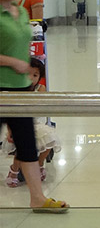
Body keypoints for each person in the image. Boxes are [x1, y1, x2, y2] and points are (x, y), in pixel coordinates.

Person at [0, 0, 68, 212]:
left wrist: (27, 69)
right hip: (1, 90)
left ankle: (37, 198)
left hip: (19, 90)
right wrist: (12, 62)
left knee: (27, 145)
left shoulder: (19, 12)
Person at [4, 57, 61, 185]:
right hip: (19, 123)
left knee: (50, 138)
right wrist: (10, 131)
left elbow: (43, 103)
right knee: (22, 146)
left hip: (38, 124)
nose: (31, 78)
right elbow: (10, 113)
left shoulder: (40, 88)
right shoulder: (17, 90)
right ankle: (14, 170)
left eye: (35, 75)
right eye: (28, 74)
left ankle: (39, 164)